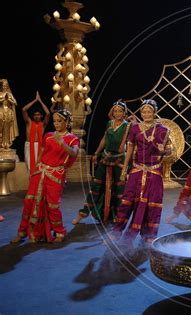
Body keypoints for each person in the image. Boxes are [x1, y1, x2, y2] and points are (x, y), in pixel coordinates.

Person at [11, 109, 79, 243]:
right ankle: (23, 231)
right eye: (55, 121)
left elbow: (73, 154)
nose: (56, 124)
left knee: (53, 205)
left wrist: (62, 143)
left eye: (59, 121)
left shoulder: (72, 139)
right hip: (40, 172)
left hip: (56, 174)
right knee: (29, 201)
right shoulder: (48, 135)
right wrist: (35, 169)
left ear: (67, 122)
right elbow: (41, 154)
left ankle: (59, 232)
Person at [111, 99, 170, 245]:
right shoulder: (135, 128)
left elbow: (170, 150)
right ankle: (117, 232)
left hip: (154, 172)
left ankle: (149, 236)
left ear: (154, 112)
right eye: (144, 111)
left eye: (149, 111)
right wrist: (125, 170)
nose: (146, 114)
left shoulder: (163, 130)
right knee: (127, 201)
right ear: (140, 113)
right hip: (137, 170)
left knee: (153, 205)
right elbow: (130, 149)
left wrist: (165, 151)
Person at [73, 100, 131, 225]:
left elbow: (132, 145)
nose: (117, 113)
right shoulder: (109, 123)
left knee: (119, 189)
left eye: (120, 111)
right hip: (106, 157)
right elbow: (104, 139)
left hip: (119, 159)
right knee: (96, 186)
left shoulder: (128, 126)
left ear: (124, 113)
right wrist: (96, 153)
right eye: (115, 111)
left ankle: (117, 216)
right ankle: (82, 213)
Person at [22, 91, 50, 174]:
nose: (37, 116)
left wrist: (40, 101)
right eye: (35, 115)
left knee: (39, 167)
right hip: (29, 145)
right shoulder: (29, 123)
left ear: (41, 116)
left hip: (40, 146)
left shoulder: (43, 124)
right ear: (33, 116)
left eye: (38, 114)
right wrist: (35, 100)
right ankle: (31, 183)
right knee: (29, 167)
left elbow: (48, 113)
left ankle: (38, 184)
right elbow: (24, 109)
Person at [0, 79, 19, 150]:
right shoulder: (0, 93)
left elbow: (15, 103)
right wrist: (2, 99)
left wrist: (9, 99)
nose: (4, 87)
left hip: (8, 113)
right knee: (1, 128)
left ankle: (6, 143)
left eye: (6, 86)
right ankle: (1, 143)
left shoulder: (9, 94)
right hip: (1, 112)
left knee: (7, 128)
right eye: (3, 86)